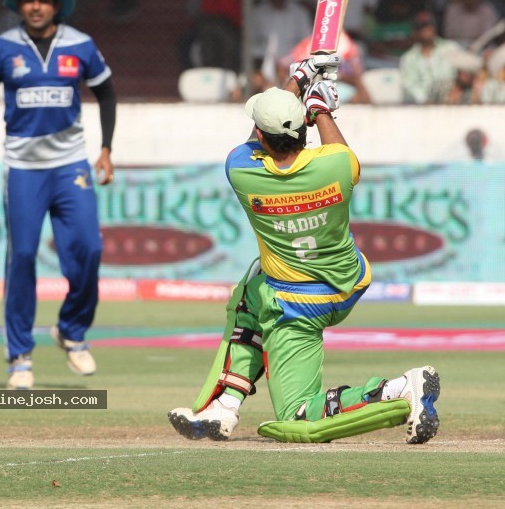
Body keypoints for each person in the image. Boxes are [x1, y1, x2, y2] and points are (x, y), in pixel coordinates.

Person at [167, 55, 440, 444]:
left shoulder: (243, 172)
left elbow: (254, 138)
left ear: (262, 138)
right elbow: (339, 150)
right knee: (251, 288)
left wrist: (298, 78)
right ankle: (224, 403)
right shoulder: (335, 167)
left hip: (296, 304)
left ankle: (395, 390)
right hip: (348, 283)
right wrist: (320, 108)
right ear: (303, 132)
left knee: (296, 416)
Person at [0, 0, 116, 390]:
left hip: (72, 167)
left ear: (56, 5)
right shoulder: (1, 48)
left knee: (88, 248)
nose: (35, 6)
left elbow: (106, 93)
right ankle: (19, 358)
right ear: (19, 5)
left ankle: (71, 330)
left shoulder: (81, 45)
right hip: (23, 169)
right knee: (23, 258)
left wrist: (106, 149)